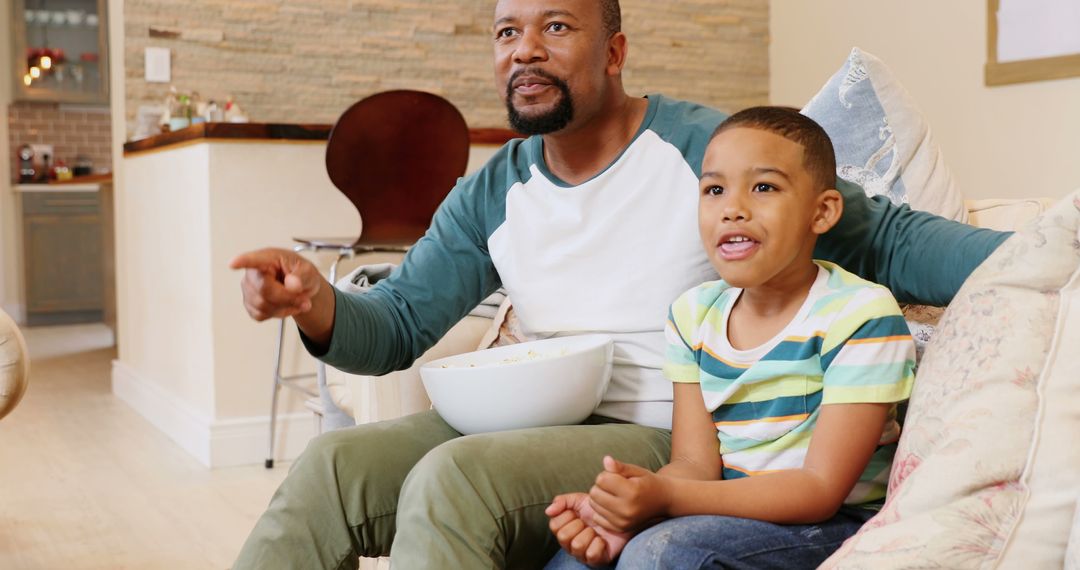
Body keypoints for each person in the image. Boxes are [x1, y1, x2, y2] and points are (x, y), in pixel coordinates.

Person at [229, 0, 1007, 568]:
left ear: (614, 50)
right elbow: (395, 325)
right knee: (329, 470)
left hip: (664, 434)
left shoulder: (707, 153)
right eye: (507, 33)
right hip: (530, 417)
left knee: (452, 478)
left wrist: (1040, 248)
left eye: (556, 26)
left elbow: (892, 238)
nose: (524, 50)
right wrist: (314, 301)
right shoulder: (492, 190)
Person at [545, 106, 916, 569]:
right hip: (725, 510)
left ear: (821, 212)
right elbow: (695, 466)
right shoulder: (693, 315)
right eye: (714, 189)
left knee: (663, 554)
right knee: (578, 561)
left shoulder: (858, 315)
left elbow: (820, 489)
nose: (732, 208)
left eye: (764, 187)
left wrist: (667, 501)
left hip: (835, 524)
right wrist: (633, 503)